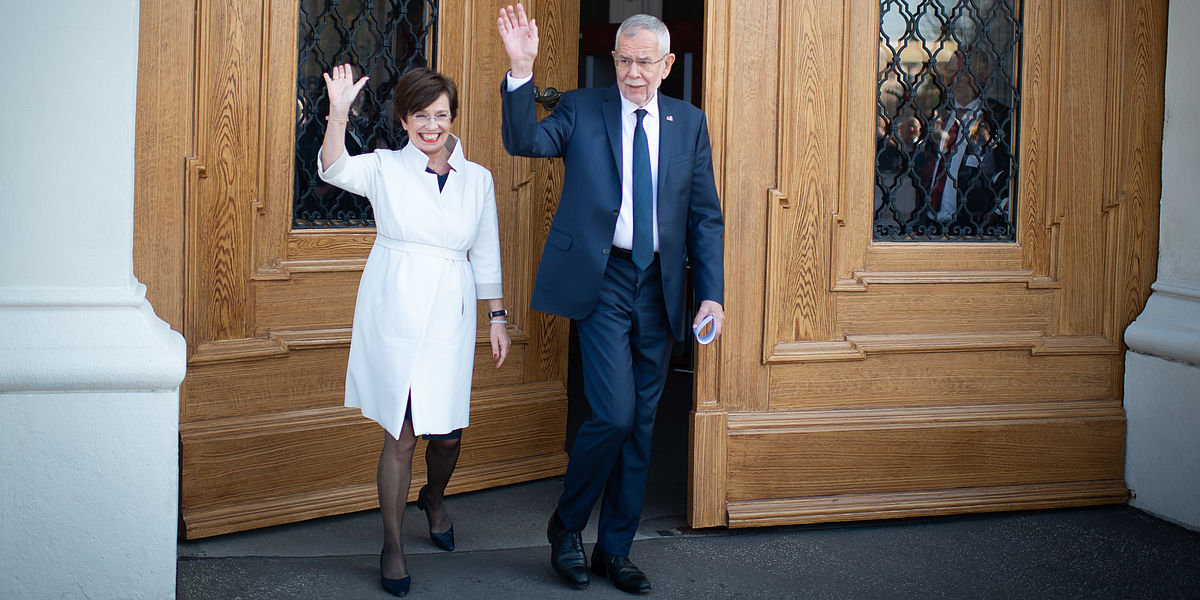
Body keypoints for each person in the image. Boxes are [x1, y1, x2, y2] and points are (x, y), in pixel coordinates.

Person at [496, 5, 725, 595]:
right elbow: (524, 139)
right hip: (603, 280)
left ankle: (615, 551)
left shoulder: (689, 123)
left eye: (644, 62)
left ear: (668, 64)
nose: (632, 73)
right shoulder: (581, 107)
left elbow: (705, 217)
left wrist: (712, 297)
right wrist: (520, 70)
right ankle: (566, 527)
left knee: (643, 425)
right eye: (623, 60)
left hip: (661, 285)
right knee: (614, 413)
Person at [317, 64, 511, 597]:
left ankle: (435, 498)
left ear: (453, 118)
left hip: (450, 307)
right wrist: (337, 114)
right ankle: (393, 543)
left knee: (446, 433)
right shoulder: (383, 167)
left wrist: (496, 316)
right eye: (421, 116)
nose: (432, 126)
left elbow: (486, 249)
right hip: (395, 306)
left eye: (441, 115)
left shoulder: (478, 178)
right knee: (401, 431)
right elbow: (334, 169)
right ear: (403, 119)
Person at [914, 47, 1013, 238]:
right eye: (952, 72)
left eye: (964, 72)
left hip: (972, 233)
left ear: (982, 76)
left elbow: (1007, 175)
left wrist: (1001, 207)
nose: (955, 79)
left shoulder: (1000, 119)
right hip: (928, 228)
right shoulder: (936, 117)